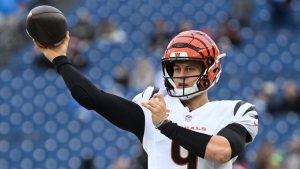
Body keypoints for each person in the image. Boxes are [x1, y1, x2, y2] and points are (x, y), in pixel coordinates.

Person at [33, 30, 258, 169]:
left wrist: (165, 125)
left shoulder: (237, 111)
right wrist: (59, 59)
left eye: (189, 67)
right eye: (176, 68)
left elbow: (220, 153)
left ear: (211, 69)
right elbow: (93, 98)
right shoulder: (153, 103)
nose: (181, 75)